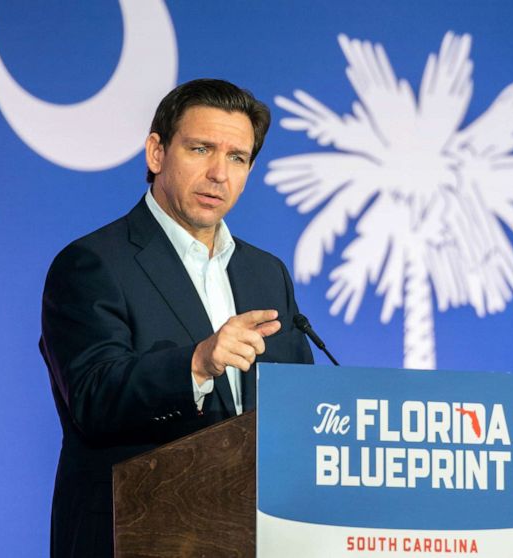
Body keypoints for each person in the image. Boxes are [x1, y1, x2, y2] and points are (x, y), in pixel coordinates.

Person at [39, 79, 314, 558]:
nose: (218, 174)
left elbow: (298, 409)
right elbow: (92, 396)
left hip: (252, 539)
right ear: (156, 153)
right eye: (200, 149)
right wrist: (197, 363)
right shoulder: (93, 264)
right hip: (133, 535)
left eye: (237, 158)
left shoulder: (266, 273)